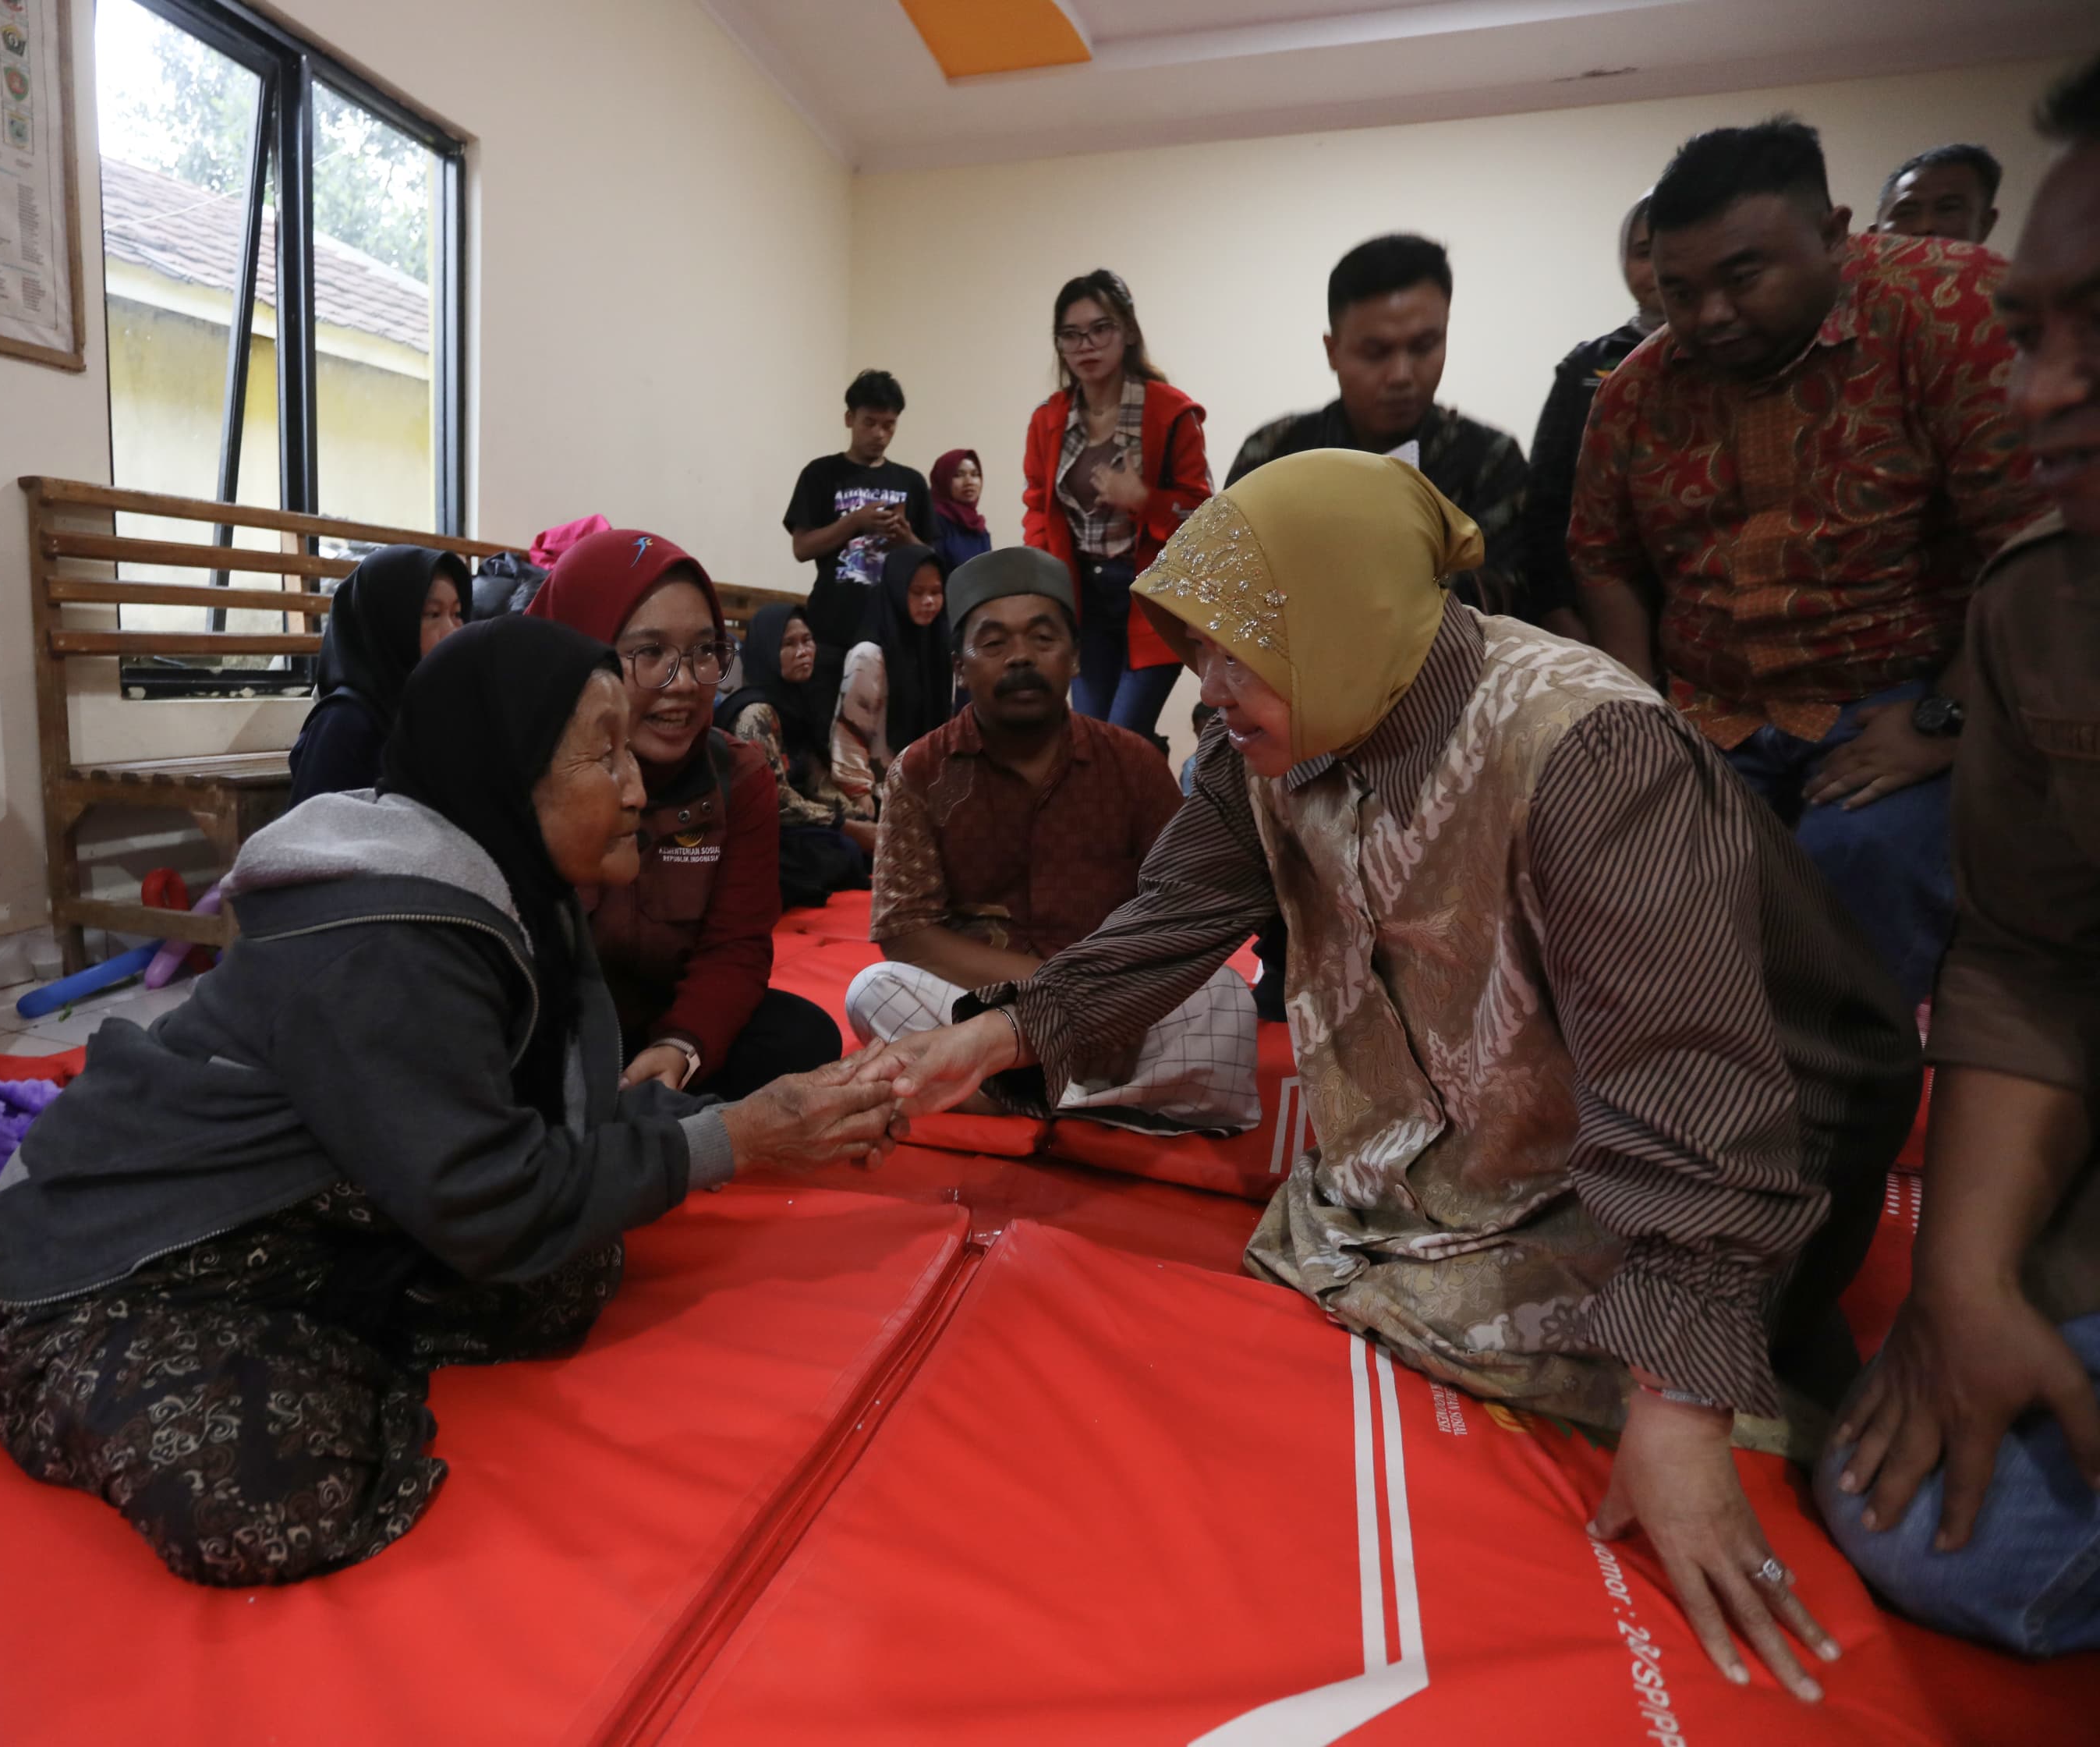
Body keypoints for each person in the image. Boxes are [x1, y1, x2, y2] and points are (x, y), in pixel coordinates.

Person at [886, 452, 1920, 1703]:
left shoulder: (1586, 751)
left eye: (1235, 652)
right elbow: (1165, 924)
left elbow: (1689, 1071)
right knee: (1346, 1239)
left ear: (1344, 612)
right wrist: (991, 1038)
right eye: (1198, 655)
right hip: (1491, 1115)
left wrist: (1684, 1407)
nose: (1208, 692)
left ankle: (1744, 1345)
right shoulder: (1289, 723)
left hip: (1736, 1126)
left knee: (1567, 1330)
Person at [0, 617, 903, 1587]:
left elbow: (552, 1125)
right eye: (605, 752)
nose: (637, 784)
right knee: (279, 1489)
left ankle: (322, 1326)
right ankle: (293, 1351)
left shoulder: (520, 890)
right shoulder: (391, 942)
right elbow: (499, 1192)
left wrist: (754, 1118)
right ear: (506, 766)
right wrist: (743, 1137)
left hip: (308, 1223)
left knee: (570, 1276)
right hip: (112, 1272)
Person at [1818, 58, 2100, 1657]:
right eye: (2032, 340)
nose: (2047, 394)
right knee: (1922, 1518)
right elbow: (2030, 951)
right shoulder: (2045, 602)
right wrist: (1968, 1280)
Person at [1571, 117, 2049, 1004]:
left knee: (1852, 866)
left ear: (1834, 232)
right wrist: (1646, 724)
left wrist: (1945, 717)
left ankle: (1832, 1117)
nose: (1709, 315)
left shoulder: (1952, 309)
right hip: (1715, 708)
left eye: (1743, 277)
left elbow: (2035, 546)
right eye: (1679, 290)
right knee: (1622, 872)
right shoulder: (1636, 390)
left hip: (1906, 695)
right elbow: (1602, 557)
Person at [847, 547, 1259, 1133]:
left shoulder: (1133, 763)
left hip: (1122, 1003)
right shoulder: (920, 772)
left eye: (1043, 639)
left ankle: (1011, 1100)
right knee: (874, 990)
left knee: (1223, 998)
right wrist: (1058, 1002)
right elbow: (907, 935)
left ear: (1075, 660)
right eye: (993, 643)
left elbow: (1179, 903)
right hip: (985, 1003)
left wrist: (1113, 1006)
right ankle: (1118, 1110)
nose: (1020, 657)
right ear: (960, 667)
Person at [526, 526, 845, 1097]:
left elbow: (736, 945)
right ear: (580, 650)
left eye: (704, 652)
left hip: (659, 1016)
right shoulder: (525, 770)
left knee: (801, 1037)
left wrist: (682, 1045)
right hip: (541, 1022)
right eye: (649, 653)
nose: (686, 684)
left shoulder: (737, 776)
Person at [1228, 234, 1532, 619]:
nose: (1401, 375)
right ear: (1332, 351)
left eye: (1424, 346)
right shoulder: (1277, 452)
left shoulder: (1489, 459)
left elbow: (1507, 600)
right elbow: (1231, 592)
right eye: (1375, 353)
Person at [1022, 269, 1213, 744]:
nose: (1086, 344)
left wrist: (1144, 500)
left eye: (1100, 328)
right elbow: (1038, 508)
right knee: (1088, 739)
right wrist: (1044, 583)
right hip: (1081, 600)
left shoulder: (1170, 413)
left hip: (1150, 596)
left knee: (1121, 734)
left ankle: (1153, 813)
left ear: (1127, 331)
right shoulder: (1049, 419)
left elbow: (1203, 515)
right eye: (1071, 334)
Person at [1521, 193, 1664, 644]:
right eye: (1644, 252)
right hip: (1594, 608)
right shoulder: (1587, 367)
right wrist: (1559, 614)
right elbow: (1545, 502)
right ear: (1624, 261)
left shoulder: (1727, 353)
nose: (1659, 266)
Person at [286, 544, 469, 805]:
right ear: (389, 623)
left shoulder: (435, 709)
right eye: (433, 614)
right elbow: (313, 836)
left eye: (457, 614)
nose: (453, 631)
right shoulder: (345, 723)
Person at [717, 603, 873, 908]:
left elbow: (815, 778)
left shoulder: (796, 700)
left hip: (794, 821)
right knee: (840, 850)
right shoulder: (755, 713)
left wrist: (859, 814)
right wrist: (847, 825)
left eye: (807, 640)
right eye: (789, 644)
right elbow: (775, 801)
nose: (804, 651)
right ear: (766, 650)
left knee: (868, 822)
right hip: (757, 830)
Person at [784, 370, 933, 653]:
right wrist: (855, 521)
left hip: (896, 628)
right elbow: (802, 548)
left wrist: (906, 540)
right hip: (832, 626)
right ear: (849, 418)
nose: (879, 434)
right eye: (870, 423)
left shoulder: (911, 482)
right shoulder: (820, 474)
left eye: (889, 425)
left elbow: (932, 561)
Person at [859, 540, 955, 756]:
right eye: (917, 592)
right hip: (877, 781)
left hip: (926, 777)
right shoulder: (868, 656)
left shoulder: (942, 647)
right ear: (897, 590)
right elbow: (849, 743)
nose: (929, 601)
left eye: (936, 591)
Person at [1872, 143, 2003, 245]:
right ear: (1873, 234)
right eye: (1906, 213)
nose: (1926, 227)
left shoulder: (2011, 278)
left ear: (1985, 225)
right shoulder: (1854, 278)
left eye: (1948, 209)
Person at [831, 642, 891, 826]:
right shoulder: (868, 656)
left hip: (927, 791)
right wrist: (860, 793)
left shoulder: (938, 648)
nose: (930, 610)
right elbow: (850, 730)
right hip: (879, 793)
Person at [927, 448, 992, 576]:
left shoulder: (979, 527)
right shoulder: (933, 520)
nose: (969, 482)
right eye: (958, 475)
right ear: (943, 479)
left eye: (975, 474)